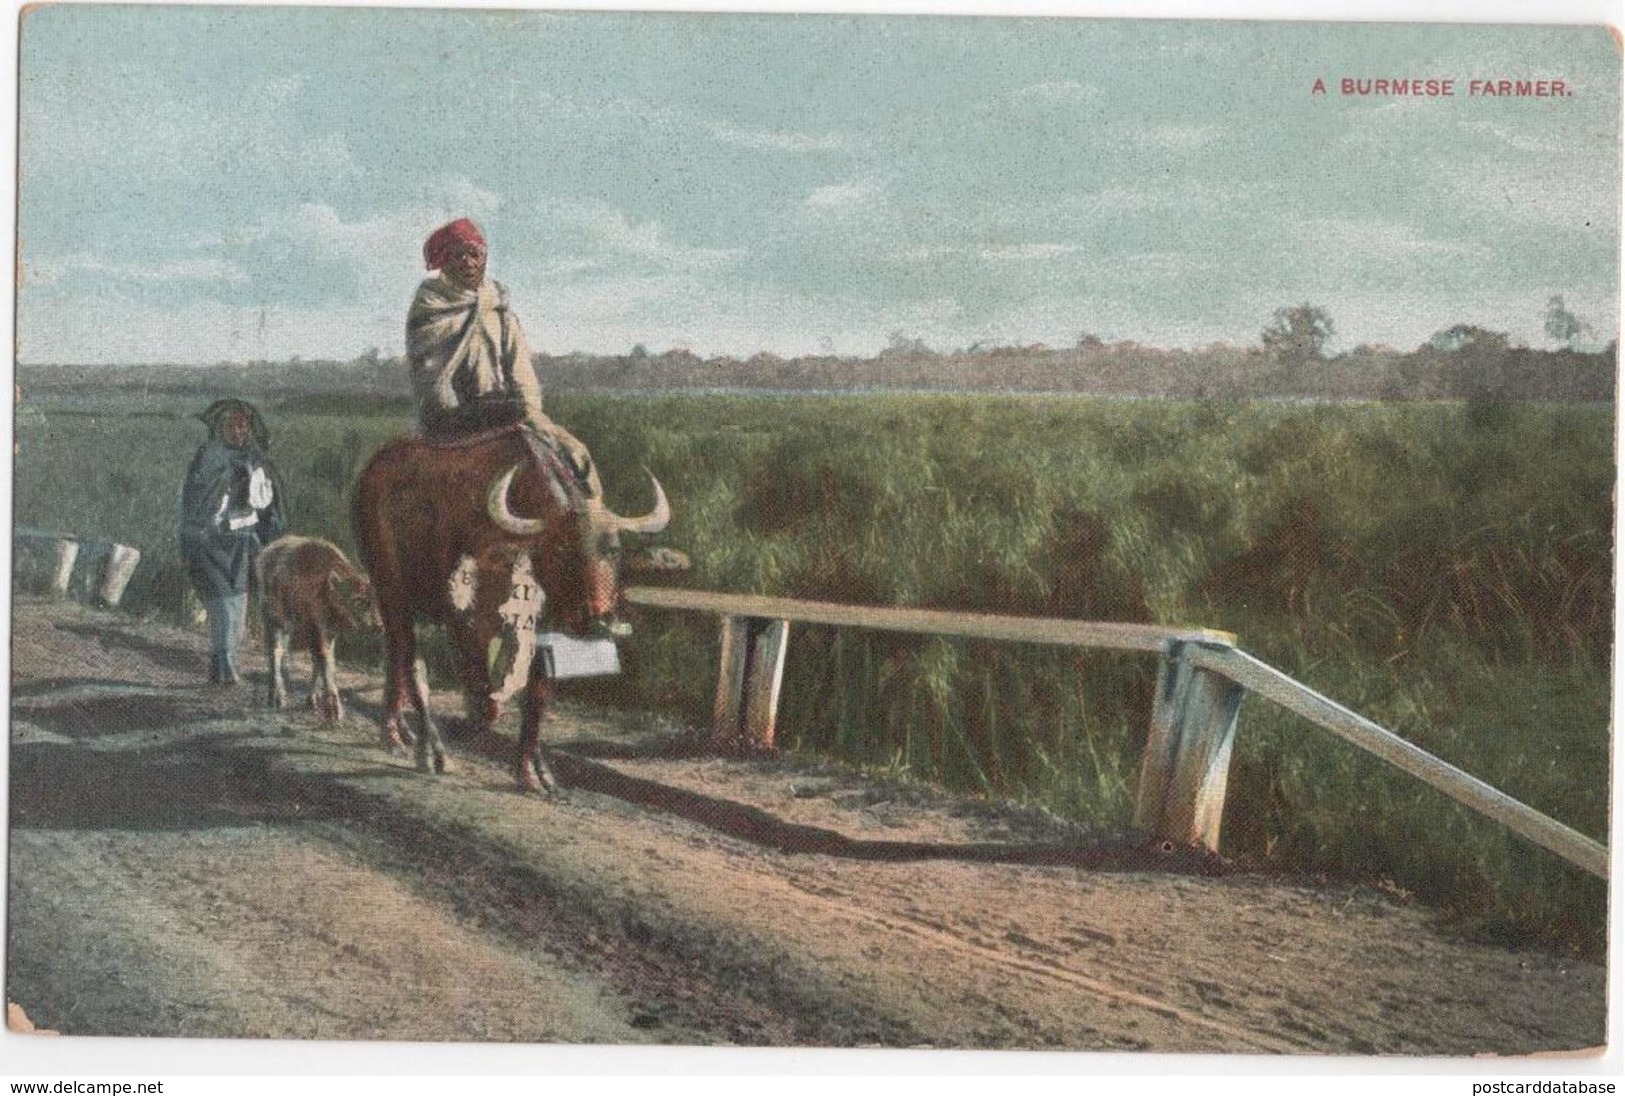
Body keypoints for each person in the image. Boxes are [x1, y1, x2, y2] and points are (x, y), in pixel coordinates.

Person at [406, 218, 600, 495]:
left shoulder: (499, 311)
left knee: (573, 453)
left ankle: (597, 524)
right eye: (459, 255)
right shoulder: (431, 305)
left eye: (475, 254)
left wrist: (527, 410)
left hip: (502, 410)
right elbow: (433, 380)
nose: (469, 263)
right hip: (450, 418)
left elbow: (522, 376)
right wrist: (469, 413)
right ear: (444, 261)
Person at [177, 398, 286, 684]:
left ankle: (222, 664)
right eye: (231, 425)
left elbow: (265, 505)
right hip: (210, 541)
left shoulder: (255, 459)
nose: (238, 431)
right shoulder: (209, 457)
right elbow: (199, 502)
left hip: (241, 541)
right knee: (222, 604)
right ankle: (224, 665)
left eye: (242, 426)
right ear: (219, 428)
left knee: (237, 602)